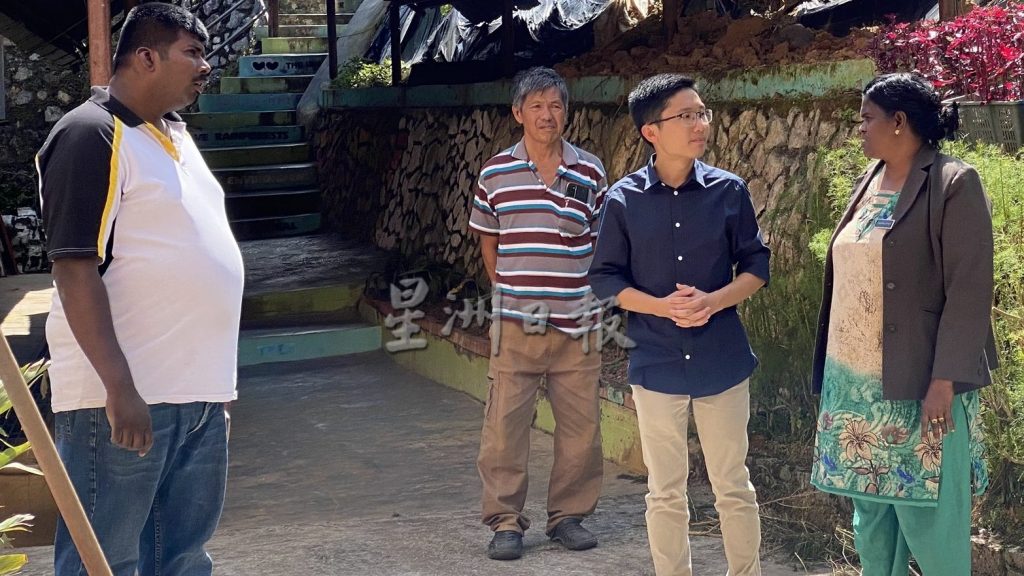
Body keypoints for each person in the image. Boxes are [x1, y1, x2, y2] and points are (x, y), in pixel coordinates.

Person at [36, 4, 243, 575]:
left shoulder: (174, 135)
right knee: (105, 561)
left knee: (181, 559)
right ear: (146, 57)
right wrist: (120, 387)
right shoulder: (91, 134)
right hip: (122, 400)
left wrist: (212, 390)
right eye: (192, 53)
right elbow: (74, 268)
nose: (205, 65)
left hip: (196, 398)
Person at [809, 73, 996, 575]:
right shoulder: (870, 180)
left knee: (929, 520)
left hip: (921, 386)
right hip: (855, 391)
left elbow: (970, 290)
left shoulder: (953, 182)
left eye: (866, 118)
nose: (859, 128)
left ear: (898, 121)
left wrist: (944, 380)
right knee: (872, 523)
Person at [589, 73, 769, 576]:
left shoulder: (729, 191)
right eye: (686, 115)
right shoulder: (623, 200)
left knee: (732, 485)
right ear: (651, 131)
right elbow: (605, 278)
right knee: (664, 491)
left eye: (702, 113)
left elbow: (756, 267)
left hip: (722, 357)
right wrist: (660, 307)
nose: (699, 124)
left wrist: (712, 301)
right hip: (656, 358)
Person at [468, 66, 607, 561]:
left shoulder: (590, 171)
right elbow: (490, 244)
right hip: (516, 323)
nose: (547, 115)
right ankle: (505, 522)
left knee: (581, 429)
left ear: (566, 112)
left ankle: (568, 516)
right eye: (537, 106)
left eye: (556, 106)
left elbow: (600, 243)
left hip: (579, 323)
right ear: (518, 113)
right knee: (504, 428)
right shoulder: (495, 174)